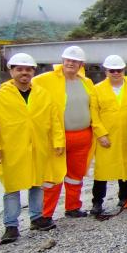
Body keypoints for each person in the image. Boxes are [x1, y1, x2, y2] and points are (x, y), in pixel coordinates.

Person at [0, 53, 64, 242]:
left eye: (28, 69)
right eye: (19, 69)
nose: (24, 73)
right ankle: (11, 225)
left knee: (37, 183)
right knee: (12, 187)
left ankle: (37, 217)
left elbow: (54, 120)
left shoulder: (42, 93)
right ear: (11, 71)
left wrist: (58, 141)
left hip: (38, 145)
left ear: (33, 71)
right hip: (11, 148)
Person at [33, 46, 107, 219]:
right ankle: (46, 213)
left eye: (75, 61)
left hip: (83, 135)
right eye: (68, 60)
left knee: (76, 175)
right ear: (62, 60)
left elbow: (94, 108)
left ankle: (73, 207)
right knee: (53, 176)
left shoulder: (86, 82)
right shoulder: (45, 80)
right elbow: (20, 84)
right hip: (57, 137)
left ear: (81, 64)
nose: (71, 63)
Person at [91, 55, 127, 214]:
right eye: (112, 70)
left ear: (124, 70)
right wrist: (101, 134)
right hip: (107, 136)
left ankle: (124, 197)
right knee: (102, 171)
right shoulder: (97, 89)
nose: (116, 73)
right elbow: (94, 114)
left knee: (125, 168)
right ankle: (97, 201)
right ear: (106, 71)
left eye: (119, 70)